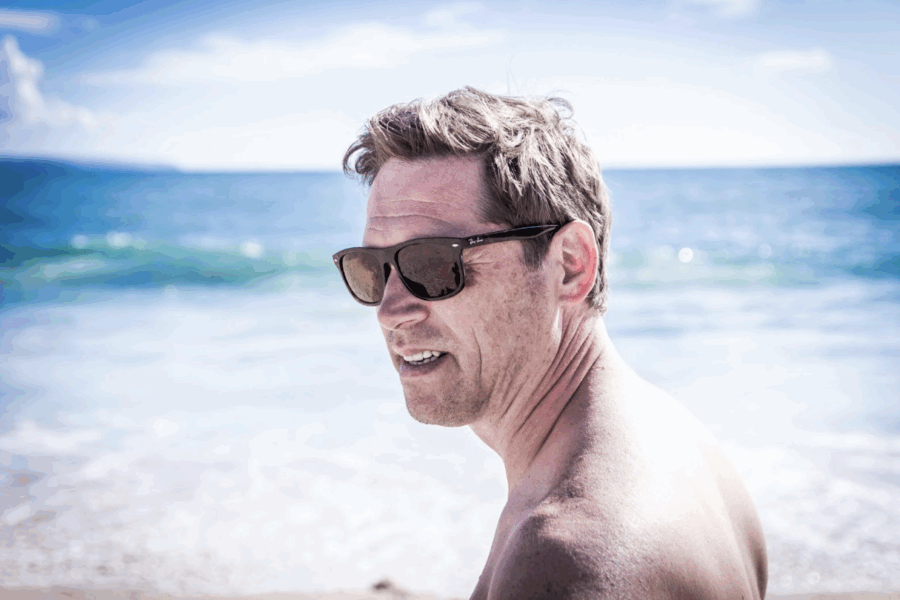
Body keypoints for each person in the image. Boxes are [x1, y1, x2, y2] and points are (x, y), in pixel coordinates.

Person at [333, 87, 767, 600]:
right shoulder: (682, 442)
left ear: (569, 265)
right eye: (372, 270)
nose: (389, 310)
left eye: (431, 264)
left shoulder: (564, 555)